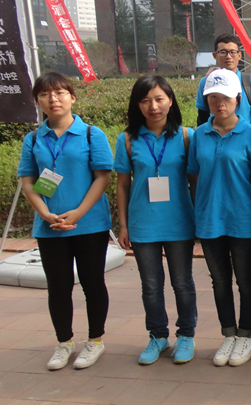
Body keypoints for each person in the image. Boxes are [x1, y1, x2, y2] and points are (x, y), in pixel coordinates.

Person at [17, 72, 113, 370]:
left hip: (90, 224)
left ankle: (95, 340)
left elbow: (103, 178)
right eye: (45, 94)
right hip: (50, 226)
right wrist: (44, 213)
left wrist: (79, 212)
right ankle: (64, 343)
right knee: (58, 287)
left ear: (72, 96)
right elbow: (27, 181)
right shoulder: (34, 139)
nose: (53, 99)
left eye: (59, 92)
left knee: (92, 283)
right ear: (38, 101)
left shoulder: (91, 134)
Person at [114, 75, 197, 365]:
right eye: (145, 100)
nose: (153, 106)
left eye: (159, 99)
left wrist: (199, 218)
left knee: (182, 283)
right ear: (137, 105)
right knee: (150, 285)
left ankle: (186, 335)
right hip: (143, 224)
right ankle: (158, 336)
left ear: (170, 101)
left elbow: (195, 182)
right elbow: (122, 185)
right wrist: (123, 225)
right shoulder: (127, 140)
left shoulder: (187, 137)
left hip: (179, 222)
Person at [188, 69, 251, 367]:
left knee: (245, 280)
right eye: (213, 98)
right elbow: (194, 175)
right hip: (209, 219)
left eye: (226, 97)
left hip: (242, 218)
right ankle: (229, 334)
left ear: (238, 99)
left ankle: (246, 335)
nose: (220, 103)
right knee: (219, 281)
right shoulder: (199, 135)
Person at [196, 33, 251, 135]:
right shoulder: (206, 82)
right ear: (215, 55)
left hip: (245, 140)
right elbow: (202, 116)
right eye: (223, 52)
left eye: (233, 52)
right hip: (216, 138)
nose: (228, 56)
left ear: (239, 55)